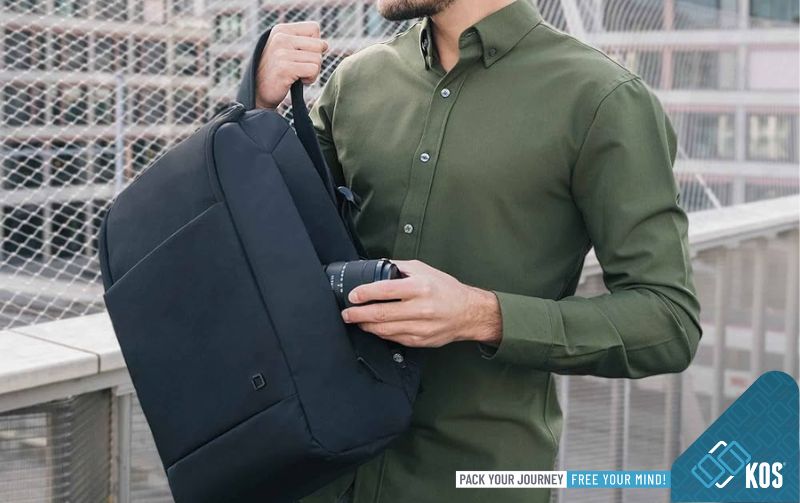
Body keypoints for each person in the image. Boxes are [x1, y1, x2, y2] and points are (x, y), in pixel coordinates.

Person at [254, 1, 702, 502]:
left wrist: (481, 315)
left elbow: (669, 320)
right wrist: (257, 109)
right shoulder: (355, 81)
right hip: (318, 472)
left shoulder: (602, 99)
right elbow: (261, 241)